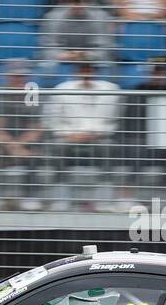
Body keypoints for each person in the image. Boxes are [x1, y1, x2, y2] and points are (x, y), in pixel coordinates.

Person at [45, 58, 120, 211]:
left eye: (90, 69)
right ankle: (61, 197)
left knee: (109, 147)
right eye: (82, 69)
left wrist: (97, 133)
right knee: (57, 147)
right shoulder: (61, 89)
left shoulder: (112, 89)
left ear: (95, 70)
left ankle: (104, 198)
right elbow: (53, 119)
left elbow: (114, 121)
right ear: (76, 71)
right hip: (70, 138)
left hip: (99, 137)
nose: (86, 72)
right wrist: (69, 135)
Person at [0, 61, 44, 211]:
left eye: (22, 76)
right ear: (7, 76)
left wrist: (19, 146)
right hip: (4, 141)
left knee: (33, 154)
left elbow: (36, 129)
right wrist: (13, 146)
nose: (18, 79)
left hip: (25, 141)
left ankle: (30, 197)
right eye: (15, 76)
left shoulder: (32, 94)